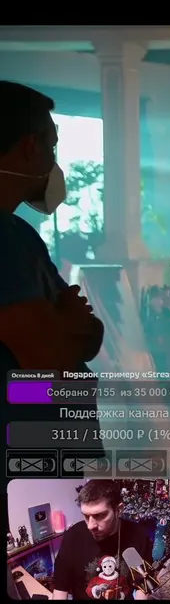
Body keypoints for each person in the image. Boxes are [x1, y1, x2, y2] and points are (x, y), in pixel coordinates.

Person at [0, 81, 104, 446]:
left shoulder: (20, 234)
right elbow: (49, 363)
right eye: (52, 146)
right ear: (31, 147)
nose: (54, 161)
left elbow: (91, 336)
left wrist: (62, 325)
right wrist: (66, 324)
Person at [52, 479, 153, 600]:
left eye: (99, 515)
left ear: (119, 510)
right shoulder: (74, 537)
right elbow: (60, 588)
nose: (90, 526)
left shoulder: (136, 536)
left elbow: (143, 585)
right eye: (86, 516)